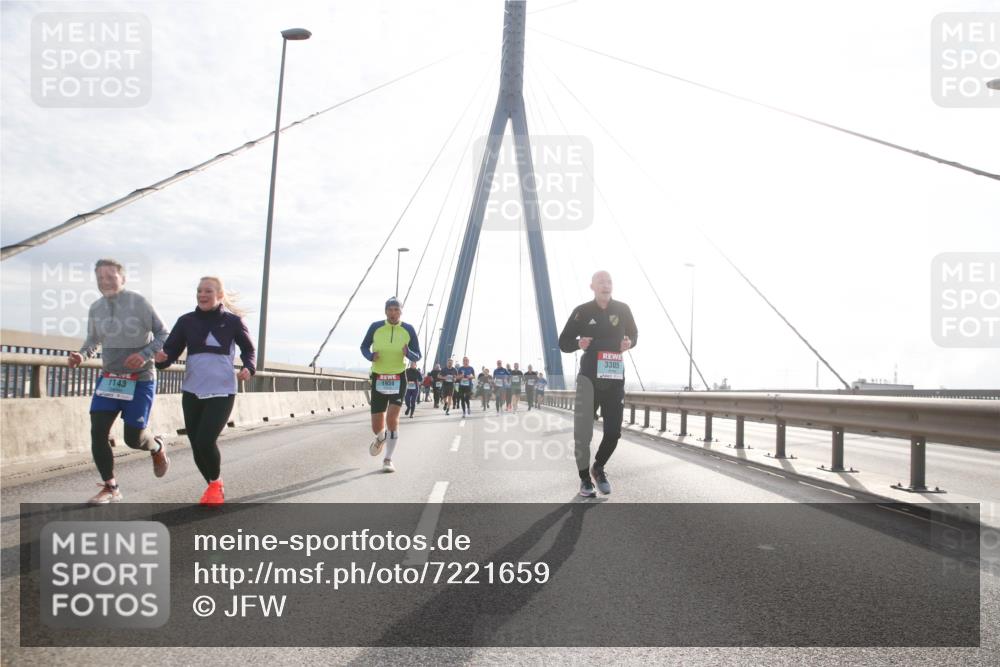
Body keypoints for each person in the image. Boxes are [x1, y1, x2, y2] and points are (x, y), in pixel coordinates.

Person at [67, 258, 170, 505]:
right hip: (109, 379)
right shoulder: (96, 308)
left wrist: (144, 354)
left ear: (122, 279)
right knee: (97, 431)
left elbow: (164, 333)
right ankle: (110, 487)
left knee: (134, 439)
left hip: (140, 379)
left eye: (110, 277)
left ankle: (156, 446)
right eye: (100, 278)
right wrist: (82, 355)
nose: (105, 282)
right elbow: (93, 340)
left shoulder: (139, 303)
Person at [154, 276, 255, 506]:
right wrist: (161, 359)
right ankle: (213, 484)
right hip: (192, 390)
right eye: (199, 290)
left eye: (208, 291)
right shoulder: (186, 321)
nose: (202, 294)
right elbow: (169, 353)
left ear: (219, 296)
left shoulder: (233, 322)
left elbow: (248, 350)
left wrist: (249, 368)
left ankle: (215, 484)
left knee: (205, 440)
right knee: (195, 443)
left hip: (222, 391)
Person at [559, 270, 638, 497]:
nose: (606, 284)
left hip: (614, 381)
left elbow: (634, 334)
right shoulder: (582, 312)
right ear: (592, 286)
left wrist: (629, 342)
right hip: (588, 380)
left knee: (613, 433)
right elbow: (563, 342)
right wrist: (578, 343)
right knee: (582, 435)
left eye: (609, 281)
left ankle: (598, 467)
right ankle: (585, 480)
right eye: (601, 281)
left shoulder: (623, 309)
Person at [360, 297, 421, 472]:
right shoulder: (375, 327)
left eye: (397, 310)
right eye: (390, 309)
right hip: (379, 377)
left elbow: (418, 355)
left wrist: (408, 352)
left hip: (399, 378)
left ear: (401, 311)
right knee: (376, 426)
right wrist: (371, 356)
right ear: (385, 311)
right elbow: (364, 346)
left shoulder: (408, 329)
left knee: (392, 419)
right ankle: (380, 438)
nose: (393, 313)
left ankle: (388, 459)